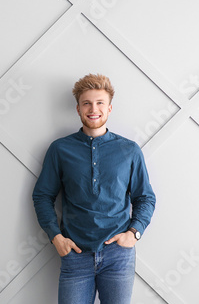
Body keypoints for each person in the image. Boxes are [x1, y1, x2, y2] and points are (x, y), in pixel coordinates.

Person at [32, 74, 156, 304]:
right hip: (75, 255)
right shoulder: (60, 149)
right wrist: (55, 237)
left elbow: (145, 197)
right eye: (87, 103)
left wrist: (134, 233)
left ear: (109, 108)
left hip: (118, 256)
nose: (93, 109)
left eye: (100, 103)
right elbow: (42, 196)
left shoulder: (129, 150)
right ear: (78, 109)